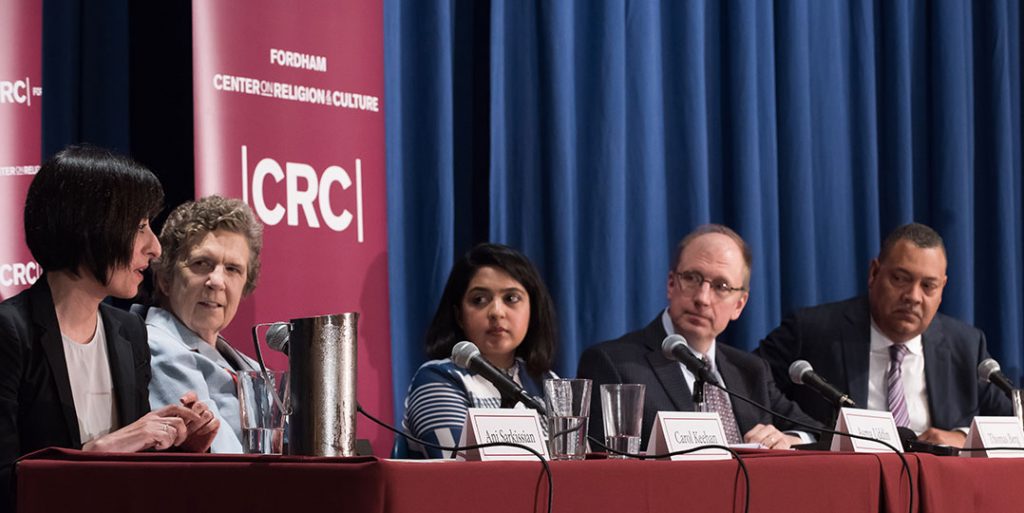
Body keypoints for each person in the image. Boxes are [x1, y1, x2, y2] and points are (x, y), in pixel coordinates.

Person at [0, 145, 218, 510]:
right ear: (90, 228)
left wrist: (181, 448)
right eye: (139, 227)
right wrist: (99, 450)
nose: (155, 249)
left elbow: (132, 476)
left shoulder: (129, 332)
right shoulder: (10, 333)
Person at [757, 222, 1011, 447]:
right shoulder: (812, 330)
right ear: (874, 273)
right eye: (900, 279)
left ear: (942, 288)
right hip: (844, 484)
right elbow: (746, 384)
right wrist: (805, 435)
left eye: (928, 286)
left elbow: (1013, 421)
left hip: (936, 490)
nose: (913, 296)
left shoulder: (966, 346)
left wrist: (962, 437)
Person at [578, 224, 820, 450]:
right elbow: (605, 466)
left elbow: (819, 432)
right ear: (671, 284)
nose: (703, 298)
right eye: (692, 278)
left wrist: (789, 439)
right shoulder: (614, 364)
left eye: (721, 286)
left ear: (739, 304)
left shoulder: (750, 370)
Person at [400, 243, 559, 458]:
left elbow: (577, 466)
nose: (496, 312)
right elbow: (458, 474)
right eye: (479, 300)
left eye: (511, 298)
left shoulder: (548, 382)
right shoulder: (438, 379)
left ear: (533, 309)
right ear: (459, 316)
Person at [143, 196, 263, 453]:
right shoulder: (157, 348)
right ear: (165, 278)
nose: (217, 281)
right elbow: (223, 459)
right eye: (201, 264)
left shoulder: (248, 364)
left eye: (232, 269)